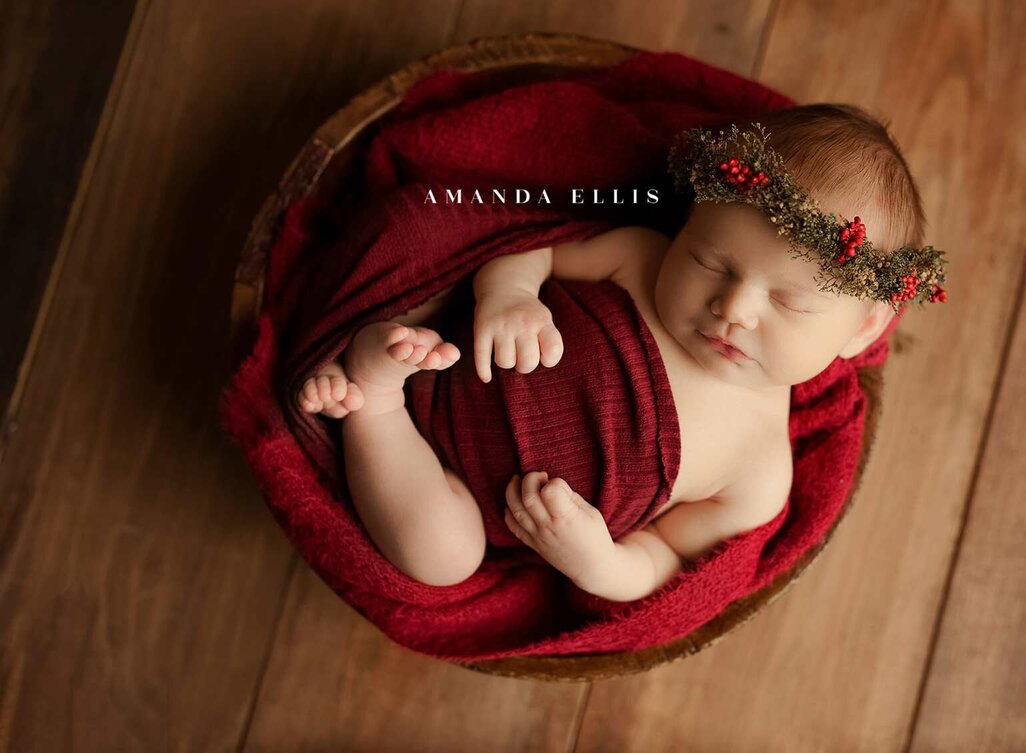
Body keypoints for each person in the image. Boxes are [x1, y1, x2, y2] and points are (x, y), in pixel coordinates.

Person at [294, 104, 949, 600]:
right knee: (420, 253)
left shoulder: (760, 469)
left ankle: (376, 405)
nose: (734, 307)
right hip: (451, 351)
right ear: (688, 224)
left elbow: (660, 557)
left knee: (441, 557)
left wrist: (596, 560)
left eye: (790, 303)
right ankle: (378, 343)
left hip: (465, 499)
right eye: (710, 259)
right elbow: (535, 238)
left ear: (864, 330)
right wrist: (512, 293)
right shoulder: (641, 257)